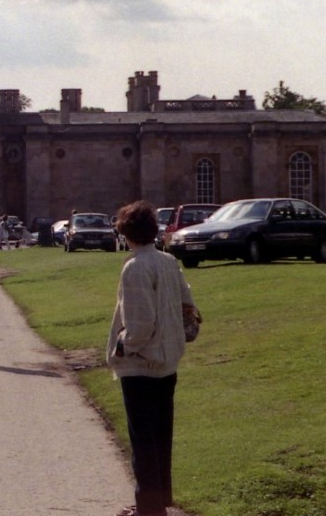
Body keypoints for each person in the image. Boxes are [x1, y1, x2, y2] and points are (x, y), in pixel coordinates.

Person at [108, 200, 198, 516]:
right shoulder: (168, 261)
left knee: (143, 442)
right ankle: (156, 502)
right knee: (160, 438)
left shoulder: (135, 267)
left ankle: (148, 508)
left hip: (141, 365)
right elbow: (189, 306)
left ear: (126, 232)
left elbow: (140, 325)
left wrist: (122, 345)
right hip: (167, 362)